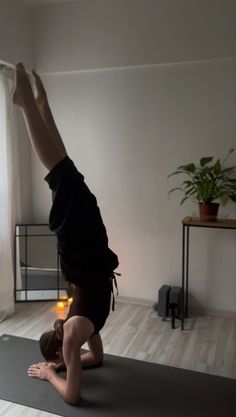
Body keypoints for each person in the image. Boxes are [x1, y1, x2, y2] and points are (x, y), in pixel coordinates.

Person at [13, 63, 119, 405]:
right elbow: (87, 374)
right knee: (64, 171)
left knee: (63, 172)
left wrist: (53, 371)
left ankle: (32, 103)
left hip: (89, 246)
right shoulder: (75, 328)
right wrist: (57, 367)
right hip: (85, 248)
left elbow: (84, 377)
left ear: (61, 351)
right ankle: (34, 104)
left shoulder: (79, 329)